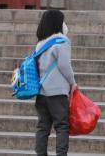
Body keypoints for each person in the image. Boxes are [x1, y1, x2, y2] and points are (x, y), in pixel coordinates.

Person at [34, 9, 77, 156]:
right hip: (57, 93)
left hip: (41, 92)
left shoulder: (40, 44)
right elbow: (64, 65)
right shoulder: (62, 41)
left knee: (42, 128)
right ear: (58, 23)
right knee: (62, 126)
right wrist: (73, 82)